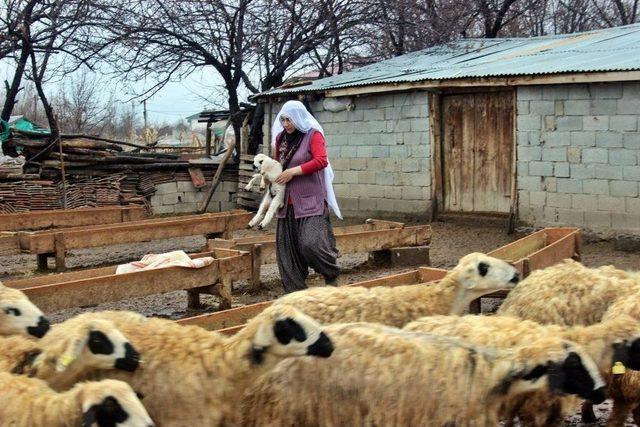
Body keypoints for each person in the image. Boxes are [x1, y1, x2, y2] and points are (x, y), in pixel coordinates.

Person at [271, 100, 342, 293]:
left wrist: (294, 171)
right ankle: (296, 294)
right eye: (283, 120)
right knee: (287, 253)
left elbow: (321, 160)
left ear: (299, 118)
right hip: (286, 203)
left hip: (310, 199)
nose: (286, 124)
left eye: (289, 120)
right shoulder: (280, 139)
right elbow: (278, 165)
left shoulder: (313, 135)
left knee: (311, 244)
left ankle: (331, 273)